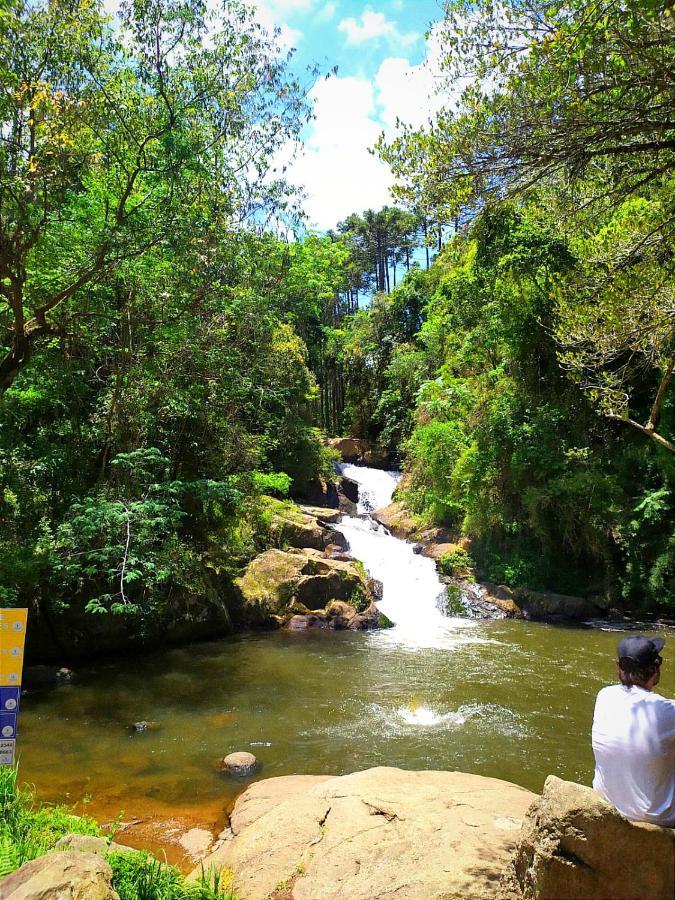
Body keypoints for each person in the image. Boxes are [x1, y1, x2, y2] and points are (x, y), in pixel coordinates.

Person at [592, 634, 675, 827]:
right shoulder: (667, 711)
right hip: (657, 819)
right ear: (655, 669)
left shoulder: (604, 696)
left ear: (618, 667)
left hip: (608, 807)